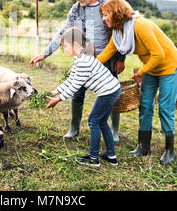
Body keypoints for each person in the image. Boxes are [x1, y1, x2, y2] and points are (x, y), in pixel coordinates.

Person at [29, 0, 125, 142]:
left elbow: (121, 31)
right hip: (85, 56)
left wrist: (120, 58)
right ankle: (74, 128)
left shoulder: (109, 3)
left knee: (111, 92)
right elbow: (64, 32)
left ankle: (114, 132)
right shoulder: (76, 9)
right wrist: (45, 53)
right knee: (77, 90)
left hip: (107, 57)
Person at [96, 0, 177, 165]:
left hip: (169, 66)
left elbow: (159, 54)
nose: (104, 18)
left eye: (106, 14)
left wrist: (141, 72)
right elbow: (105, 54)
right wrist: (82, 66)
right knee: (145, 105)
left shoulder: (140, 25)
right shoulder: (119, 33)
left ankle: (170, 151)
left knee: (165, 108)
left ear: (116, 13)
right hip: (151, 67)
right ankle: (143, 146)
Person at [46, 27, 121, 167]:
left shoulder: (83, 62)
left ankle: (93, 158)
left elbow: (75, 87)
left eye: (65, 46)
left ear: (75, 45)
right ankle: (111, 156)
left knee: (93, 121)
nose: (64, 50)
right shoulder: (79, 58)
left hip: (109, 92)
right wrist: (55, 92)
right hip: (112, 90)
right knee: (102, 122)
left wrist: (58, 99)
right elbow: (71, 80)